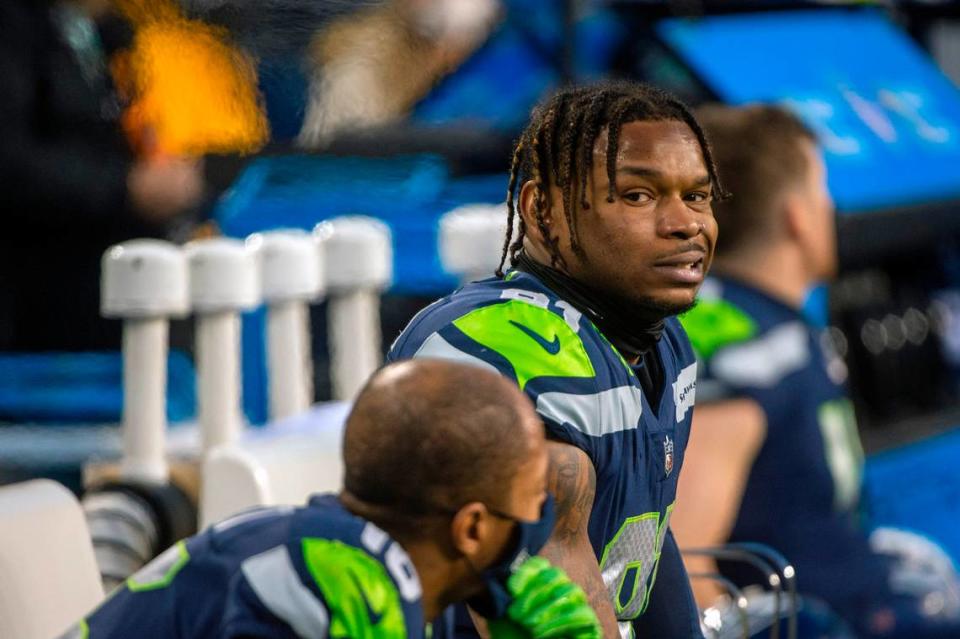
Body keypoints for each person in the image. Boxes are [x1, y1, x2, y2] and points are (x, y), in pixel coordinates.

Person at [388, 80, 723, 638]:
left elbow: (639, 546)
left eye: (697, 196)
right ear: (542, 210)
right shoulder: (500, 347)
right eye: (639, 196)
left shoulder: (662, 344)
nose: (685, 222)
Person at [673, 104, 960, 638]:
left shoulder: (758, 321)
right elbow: (687, 561)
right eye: (821, 189)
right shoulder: (745, 348)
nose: (831, 207)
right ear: (797, 216)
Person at [62, 359, 602, 638]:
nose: (540, 520)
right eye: (535, 502)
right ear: (472, 529)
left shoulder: (363, 560)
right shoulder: (340, 583)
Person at [0, 0, 203, 352]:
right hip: (40, 308)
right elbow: (12, 163)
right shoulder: (14, 24)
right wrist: (125, 187)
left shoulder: (96, 31)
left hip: (114, 291)